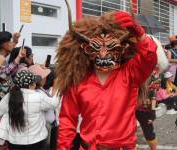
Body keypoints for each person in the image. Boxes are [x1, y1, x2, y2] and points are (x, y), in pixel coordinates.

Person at [55, 1, 157, 149]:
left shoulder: (130, 74)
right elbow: (67, 120)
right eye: (97, 47)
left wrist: (140, 34)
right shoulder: (78, 81)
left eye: (110, 46)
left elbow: (148, 58)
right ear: (86, 49)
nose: (103, 52)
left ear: (121, 48)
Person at [0, 70, 59, 150]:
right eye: (34, 82)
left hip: (14, 142)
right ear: (31, 85)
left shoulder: (9, 96)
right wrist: (56, 89)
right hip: (36, 140)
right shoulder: (38, 97)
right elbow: (54, 103)